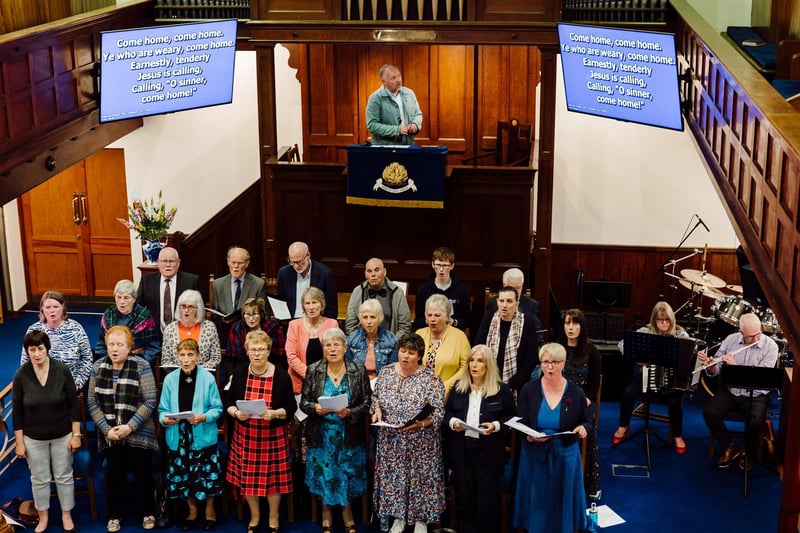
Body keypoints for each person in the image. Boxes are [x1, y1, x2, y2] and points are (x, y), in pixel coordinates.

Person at [513, 343, 591, 533]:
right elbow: (520, 421)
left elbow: (587, 421)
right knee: (538, 501)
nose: (549, 367)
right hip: (534, 454)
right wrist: (529, 436)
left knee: (561, 499)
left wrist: (582, 428)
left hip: (565, 454)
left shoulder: (576, 392)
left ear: (563, 364)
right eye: (546, 362)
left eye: (555, 362)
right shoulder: (528, 389)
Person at [88, 325, 158, 533]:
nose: (115, 349)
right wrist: (105, 429)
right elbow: (92, 402)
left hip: (139, 431)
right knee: (114, 472)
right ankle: (114, 515)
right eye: (111, 344)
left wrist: (130, 426)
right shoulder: (97, 367)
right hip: (109, 432)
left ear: (130, 347)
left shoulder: (141, 365)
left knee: (142, 470)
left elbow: (150, 400)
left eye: (120, 345)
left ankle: (147, 512)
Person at [372, 333, 445, 533]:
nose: (405, 356)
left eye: (411, 353)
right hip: (391, 438)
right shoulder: (386, 372)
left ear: (419, 356)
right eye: (403, 351)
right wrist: (377, 411)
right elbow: (376, 398)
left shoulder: (431, 379)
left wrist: (421, 424)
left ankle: (420, 520)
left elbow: (439, 413)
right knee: (393, 479)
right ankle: (398, 517)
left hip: (421, 440)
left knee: (420, 479)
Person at [225, 330, 296, 533]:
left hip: (273, 436)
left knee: (274, 480)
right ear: (247, 351)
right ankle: (255, 517)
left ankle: (273, 516)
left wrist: (274, 414)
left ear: (268, 351)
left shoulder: (281, 376)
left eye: (261, 349)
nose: (257, 354)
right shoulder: (239, 373)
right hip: (246, 436)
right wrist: (237, 413)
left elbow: (291, 408)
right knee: (248, 479)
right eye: (253, 349)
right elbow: (228, 403)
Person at [300, 328, 371, 533]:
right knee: (325, 474)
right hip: (322, 435)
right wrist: (315, 408)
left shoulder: (358, 370)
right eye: (328, 345)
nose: (332, 349)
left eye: (336, 344)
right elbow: (304, 402)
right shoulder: (314, 370)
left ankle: (347, 514)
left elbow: (367, 402)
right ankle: (326, 514)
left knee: (346, 474)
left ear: (345, 347)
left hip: (348, 434)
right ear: (323, 349)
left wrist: (350, 411)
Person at [13, 330, 81, 533]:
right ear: (27, 351)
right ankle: (43, 517)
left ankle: (66, 515)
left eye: (40, 349)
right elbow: (17, 411)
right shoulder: (21, 375)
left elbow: (73, 405)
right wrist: (19, 442)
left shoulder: (62, 370)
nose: (36, 354)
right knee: (39, 478)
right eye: (31, 350)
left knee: (64, 476)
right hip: (33, 437)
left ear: (47, 349)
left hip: (62, 435)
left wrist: (76, 435)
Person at [444, 345, 516, 533]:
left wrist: (496, 426)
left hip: (488, 453)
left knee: (485, 503)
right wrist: (453, 422)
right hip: (463, 451)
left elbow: (513, 418)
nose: (474, 365)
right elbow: (446, 414)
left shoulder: (502, 390)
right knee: (466, 500)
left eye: (480, 361)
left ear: (488, 365)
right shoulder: (459, 388)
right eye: (472, 360)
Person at [158, 339, 224, 532]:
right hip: (179, 434)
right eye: (182, 355)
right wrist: (165, 419)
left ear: (198, 356)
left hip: (201, 433)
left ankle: (210, 509)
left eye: (190, 355)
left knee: (207, 473)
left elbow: (217, 409)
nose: (185, 360)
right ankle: (192, 510)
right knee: (183, 473)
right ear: (177, 357)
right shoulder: (170, 379)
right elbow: (162, 409)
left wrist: (203, 417)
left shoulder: (207, 378)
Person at [699, 312, 779, 468]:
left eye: (758, 334)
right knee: (709, 413)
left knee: (755, 422)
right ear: (741, 333)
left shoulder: (771, 346)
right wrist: (711, 366)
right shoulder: (731, 340)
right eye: (751, 336)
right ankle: (730, 446)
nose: (756, 339)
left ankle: (748, 452)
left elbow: (761, 378)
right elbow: (716, 369)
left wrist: (736, 367)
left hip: (757, 393)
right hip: (732, 390)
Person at [613, 301, 690, 454]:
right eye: (660, 320)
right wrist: (636, 357)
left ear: (672, 320)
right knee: (628, 393)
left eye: (667, 320)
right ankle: (623, 426)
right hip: (648, 373)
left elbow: (688, 357)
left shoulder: (681, 334)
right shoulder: (646, 331)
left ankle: (677, 435)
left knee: (675, 402)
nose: (663, 323)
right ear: (654, 320)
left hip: (670, 378)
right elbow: (621, 344)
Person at [560, 308, 602, 500]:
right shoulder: (557, 347)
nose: (570, 327)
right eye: (567, 323)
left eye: (575, 323)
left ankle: (590, 482)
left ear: (581, 327)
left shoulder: (591, 351)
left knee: (588, 429)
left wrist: (585, 400)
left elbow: (593, 386)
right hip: (557, 398)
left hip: (581, 401)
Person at [21, 291, 93, 390]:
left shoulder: (76, 328)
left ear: (63, 307)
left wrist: (77, 384)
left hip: (70, 386)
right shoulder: (33, 330)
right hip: (41, 388)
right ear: (42, 309)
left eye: (56, 307)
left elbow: (87, 359)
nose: (52, 311)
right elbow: (25, 362)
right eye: (48, 307)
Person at [474, 286, 538, 393]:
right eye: (501, 301)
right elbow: (478, 348)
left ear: (517, 303)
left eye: (509, 301)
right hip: (488, 380)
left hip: (517, 385)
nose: (504, 305)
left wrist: (511, 385)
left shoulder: (527, 322)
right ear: (497, 302)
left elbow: (531, 359)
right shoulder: (489, 319)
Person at [286, 287, 339, 394]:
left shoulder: (332, 324)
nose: (311, 307)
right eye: (307, 303)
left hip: (327, 381)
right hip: (300, 383)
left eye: (314, 302)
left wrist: (322, 377)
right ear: (303, 306)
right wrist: (310, 375)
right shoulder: (294, 325)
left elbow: (336, 353)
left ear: (322, 304)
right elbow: (291, 357)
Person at [136, 247, 201, 334]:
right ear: (158, 263)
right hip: (154, 336)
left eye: (171, 261)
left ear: (178, 263)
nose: (167, 265)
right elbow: (138, 308)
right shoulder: (147, 281)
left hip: (183, 333)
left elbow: (199, 310)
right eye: (164, 261)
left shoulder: (191, 281)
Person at [96, 279, 160, 365]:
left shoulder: (144, 316)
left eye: (126, 297)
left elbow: (153, 347)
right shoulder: (108, 314)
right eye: (118, 297)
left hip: (138, 360)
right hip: (112, 360)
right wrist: (106, 362)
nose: (122, 302)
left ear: (134, 299)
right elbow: (101, 344)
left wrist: (141, 363)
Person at [416, 294, 470, 394]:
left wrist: (445, 386)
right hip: (420, 393)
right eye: (429, 315)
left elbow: (466, 367)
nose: (432, 319)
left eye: (437, 315)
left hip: (450, 394)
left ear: (447, 317)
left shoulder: (459, 337)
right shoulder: (419, 334)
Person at [226, 297, 286, 385]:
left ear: (261, 315)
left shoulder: (272, 328)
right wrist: (231, 374)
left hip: (268, 370)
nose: (251, 318)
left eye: (254, 314)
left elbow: (279, 358)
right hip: (242, 372)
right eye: (247, 314)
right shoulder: (237, 328)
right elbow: (230, 357)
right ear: (243, 315)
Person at [345, 257, 411, 337]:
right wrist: (360, 343)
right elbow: (350, 324)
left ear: (384, 272)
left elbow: (405, 326)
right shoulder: (358, 292)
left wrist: (392, 343)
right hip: (362, 345)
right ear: (365, 274)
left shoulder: (397, 293)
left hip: (391, 345)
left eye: (377, 270)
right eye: (369, 271)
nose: (373, 274)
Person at [412, 247, 472, 331]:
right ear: (433, 264)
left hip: (453, 333)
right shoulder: (423, 290)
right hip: (430, 333)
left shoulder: (462, 290)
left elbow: (467, 320)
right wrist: (431, 320)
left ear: (452, 266)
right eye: (438, 265)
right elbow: (418, 320)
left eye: (445, 265)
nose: (441, 269)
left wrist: (453, 322)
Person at [276, 241, 338, 319]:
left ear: (308, 255)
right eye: (292, 262)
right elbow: (281, 301)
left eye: (299, 262)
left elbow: (331, 308)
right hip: (292, 322)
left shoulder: (325, 274)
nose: (296, 266)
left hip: (317, 322)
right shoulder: (284, 273)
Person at [162, 290, 221, 369]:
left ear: (198, 309)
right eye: (183, 306)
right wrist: (182, 371)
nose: (186, 310)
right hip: (177, 375)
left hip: (202, 375)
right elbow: (165, 360)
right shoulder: (170, 329)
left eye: (190, 307)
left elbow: (216, 358)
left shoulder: (209, 327)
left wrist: (197, 371)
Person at [366, 64, 423, 145]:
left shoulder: (409, 93)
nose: (398, 80)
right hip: (386, 149)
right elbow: (372, 125)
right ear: (384, 82)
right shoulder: (375, 98)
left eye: (399, 76)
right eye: (393, 78)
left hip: (408, 147)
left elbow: (418, 114)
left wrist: (415, 125)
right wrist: (396, 130)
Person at [345, 298, 398, 380]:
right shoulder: (352, 339)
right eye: (365, 317)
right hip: (357, 383)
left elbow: (392, 371)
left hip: (382, 383)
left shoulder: (391, 339)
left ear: (380, 318)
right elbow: (347, 368)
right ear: (361, 319)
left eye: (373, 317)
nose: (369, 321)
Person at [212, 246, 268, 316]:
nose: (236, 266)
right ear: (228, 262)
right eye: (233, 262)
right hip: (225, 326)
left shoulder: (258, 284)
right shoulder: (218, 284)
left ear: (247, 264)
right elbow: (214, 315)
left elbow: (264, 315)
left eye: (240, 263)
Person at [485, 267, 542, 336]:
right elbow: (485, 332)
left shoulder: (531, 305)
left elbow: (537, 333)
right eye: (511, 288)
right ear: (504, 286)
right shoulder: (492, 303)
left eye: (518, 288)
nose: (515, 292)